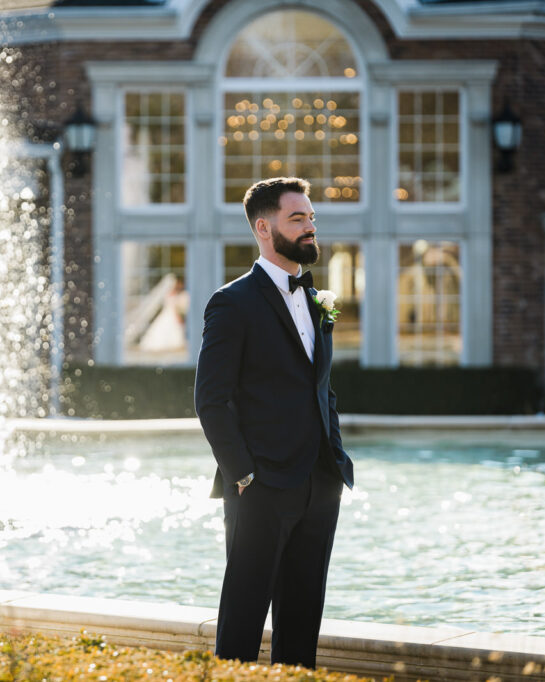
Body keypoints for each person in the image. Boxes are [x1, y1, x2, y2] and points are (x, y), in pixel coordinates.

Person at [194, 177, 354, 668]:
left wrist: (336, 457)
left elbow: (320, 389)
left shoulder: (316, 301)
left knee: (302, 630)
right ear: (264, 228)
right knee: (241, 629)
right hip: (259, 487)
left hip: (319, 484)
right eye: (297, 218)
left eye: (311, 218)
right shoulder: (232, 302)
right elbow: (211, 399)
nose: (310, 228)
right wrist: (243, 474)